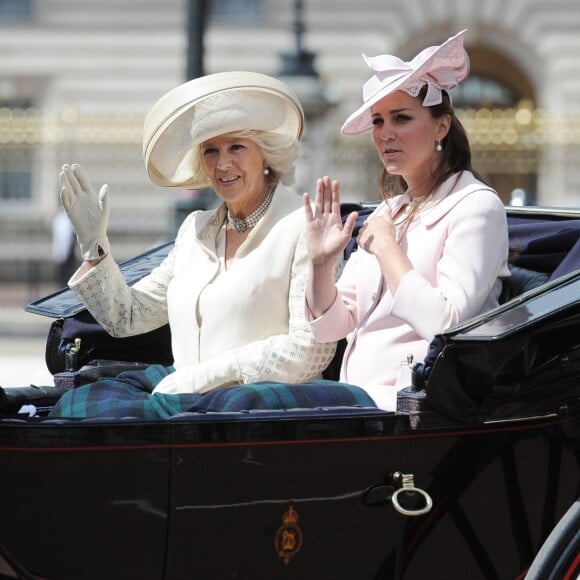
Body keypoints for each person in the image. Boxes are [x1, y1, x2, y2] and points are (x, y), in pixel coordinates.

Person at [49, 71, 370, 419]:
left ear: (266, 156)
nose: (222, 163)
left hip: (261, 416)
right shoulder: (195, 230)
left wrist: (211, 374)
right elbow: (127, 316)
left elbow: (311, 350)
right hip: (184, 410)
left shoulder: (304, 228)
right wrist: (94, 245)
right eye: (210, 151)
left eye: (236, 147)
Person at [302, 30, 510, 411]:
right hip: (357, 400)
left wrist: (387, 248)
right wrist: (320, 264)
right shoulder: (388, 211)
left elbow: (447, 324)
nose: (385, 134)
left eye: (401, 118)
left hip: (412, 405)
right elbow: (332, 328)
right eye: (378, 122)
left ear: (441, 126)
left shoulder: (475, 205)